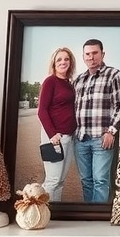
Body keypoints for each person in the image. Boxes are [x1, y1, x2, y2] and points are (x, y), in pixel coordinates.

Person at [73, 38, 120, 203]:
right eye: (87, 54)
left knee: (100, 181)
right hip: (81, 139)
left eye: (95, 53)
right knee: (86, 181)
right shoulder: (79, 80)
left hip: (102, 139)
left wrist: (111, 131)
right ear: (83, 57)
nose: (91, 57)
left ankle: (98, 218)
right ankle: (89, 218)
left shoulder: (114, 75)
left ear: (102, 54)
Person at [37, 46, 77, 202]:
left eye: (66, 59)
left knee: (60, 181)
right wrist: (52, 134)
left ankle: (56, 213)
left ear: (71, 62)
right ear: (54, 63)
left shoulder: (68, 83)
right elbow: (42, 111)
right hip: (54, 137)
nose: (63, 62)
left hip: (69, 138)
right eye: (59, 59)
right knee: (52, 180)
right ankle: (41, 212)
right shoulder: (50, 81)